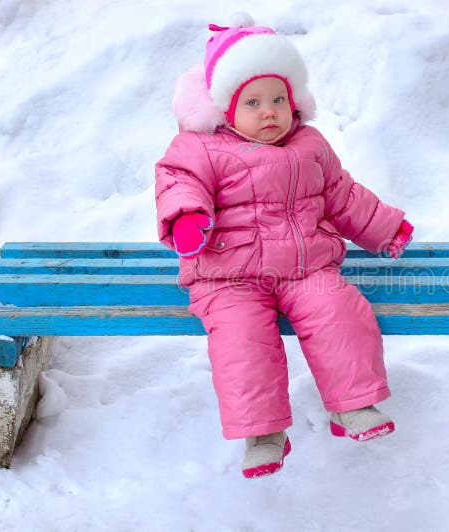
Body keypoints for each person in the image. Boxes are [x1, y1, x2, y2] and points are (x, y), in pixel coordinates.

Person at [155, 17, 413, 479]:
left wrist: (385, 228)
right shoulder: (201, 147)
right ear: (225, 108)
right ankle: (263, 433)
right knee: (241, 341)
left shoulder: (309, 145)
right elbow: (179, 183)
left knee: (340, 311)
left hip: (304, 266)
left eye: (278, 99)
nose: (269, 111)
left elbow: (342, 193)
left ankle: (353, 406)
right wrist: (188, 220)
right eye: (253, 102)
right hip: (228, 274)